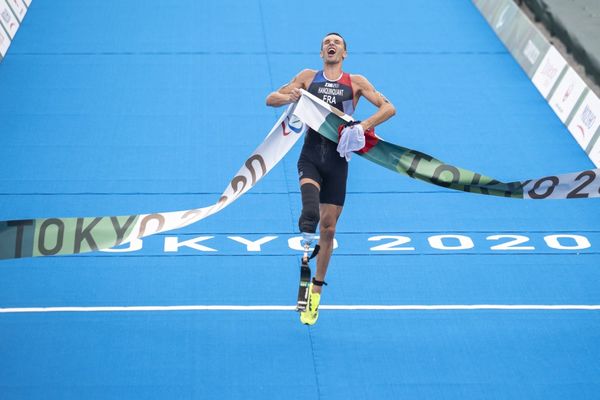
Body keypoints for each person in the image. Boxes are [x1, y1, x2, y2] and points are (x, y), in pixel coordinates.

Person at [266, 33, 396, 325]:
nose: (331, 44)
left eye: (336, 42)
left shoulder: (356, 82)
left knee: (329, 229)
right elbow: (270, 99)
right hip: (311, 156)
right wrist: (291, 96)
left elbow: (389, 107)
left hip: (338, 163)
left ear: (344, 53)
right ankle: (304, 253)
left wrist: (362, 125)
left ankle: (315, 291)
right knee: (310, 214)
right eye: (326, 42)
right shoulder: (307, 77)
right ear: (321, 52)